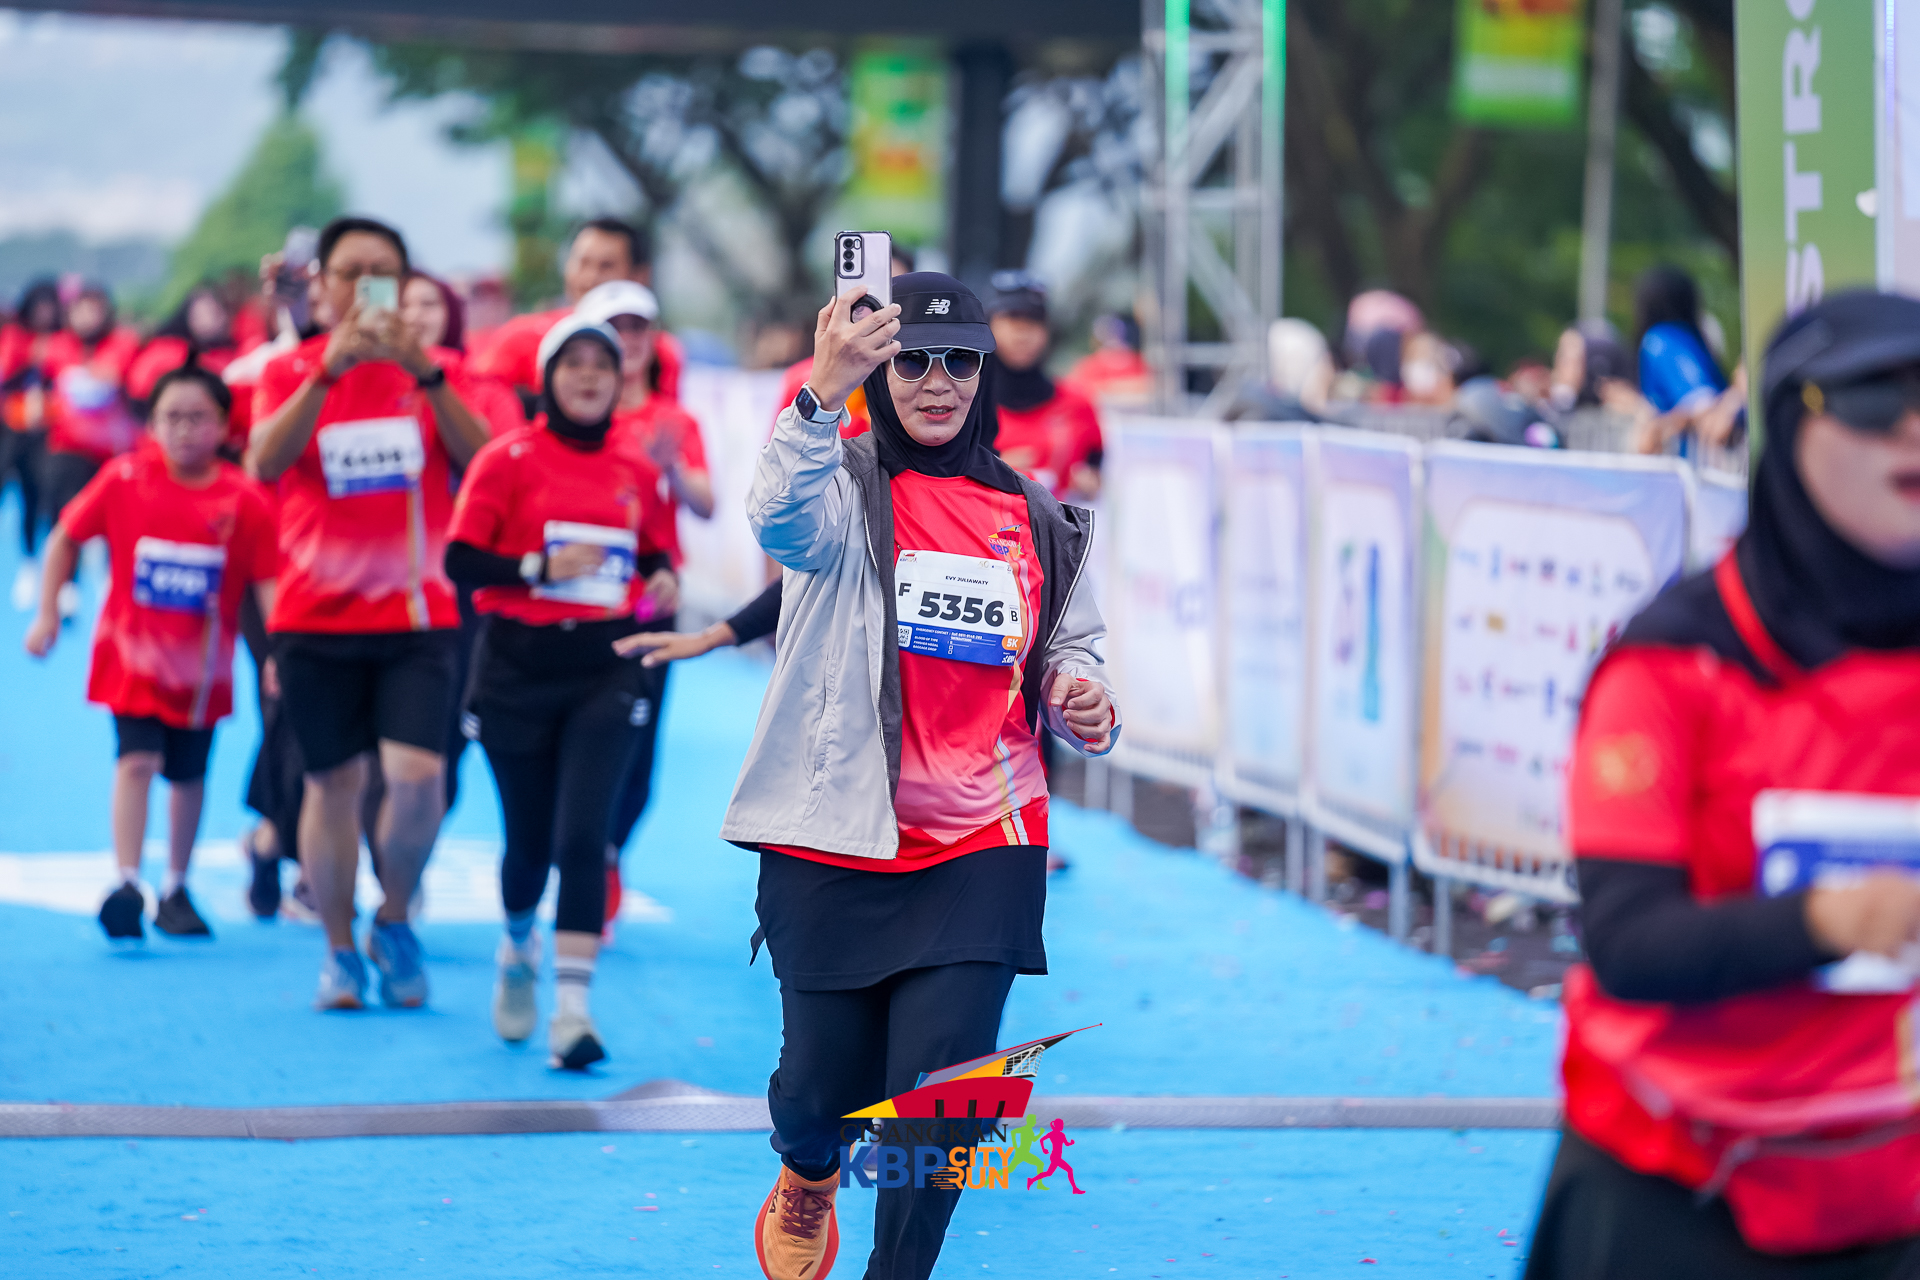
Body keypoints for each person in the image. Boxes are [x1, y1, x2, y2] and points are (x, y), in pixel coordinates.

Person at [727, 273, 1119, 1280]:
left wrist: (1081, 692)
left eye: (960, 361)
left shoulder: (1034, 512)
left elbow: (1070, 645)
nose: (937, 382)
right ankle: (809, 1167)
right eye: (912, 362)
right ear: (880, 371)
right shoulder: (837, 484)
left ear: (986, 373)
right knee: (816, 1092)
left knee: (944, 1098)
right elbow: (775, 521)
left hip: (986, 836)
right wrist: (821, 392)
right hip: (837, 831)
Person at [1525, 290, 1920, 1278]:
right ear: (1789, 421)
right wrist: (1834, 921)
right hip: (1678, 1181)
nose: (1914, 426)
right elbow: (1628, 943)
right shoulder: (1671, 662)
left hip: (1893, 1182)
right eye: (1876, 398)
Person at [246, 215, 492, 1011]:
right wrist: (327, 372)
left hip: (417, 618)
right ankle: (340, 950)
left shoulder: (438, 372)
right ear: (320, 284)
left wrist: (424, 371)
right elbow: (264, 461)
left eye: (380, 271)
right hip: (314, 618)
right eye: (349, 271)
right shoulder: (290, 371)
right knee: (334, 786)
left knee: (419, 783)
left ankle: (393, 916)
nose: (363, 286)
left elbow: (483, 461)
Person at [446, 315, 674, 1069]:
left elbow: (655, 554)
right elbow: (460, 561)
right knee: (529, 844)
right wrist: (539, 569)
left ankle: (573, 1013)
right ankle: (517, 947)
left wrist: (663, 580)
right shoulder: (506, 458)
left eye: (601, 365)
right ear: (546, 378)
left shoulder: (635, 465)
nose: (587, 377)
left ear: (619, 380)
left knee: (583, 838)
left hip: (606, 666)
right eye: (572, 363)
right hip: (516, 667)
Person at [24, 366, 277, 941]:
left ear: (224, 426)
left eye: (198, 418)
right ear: (152, 423)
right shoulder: (124, 479)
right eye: (172, 418)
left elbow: (269, 584)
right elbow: (65, 537)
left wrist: (281, 650)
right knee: (136, 761)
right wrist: (47, 613)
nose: (184, 430)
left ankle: (176, 887)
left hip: (202, 672)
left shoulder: (245, 500)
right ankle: (127, 881)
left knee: (188, 774)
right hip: (131, 661)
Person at [576, 281, 711, 932]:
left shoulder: (672, 420)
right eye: (615, 328)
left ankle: (604, 851)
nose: (627, 341)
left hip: (651, 604)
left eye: (638, 328)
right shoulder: (573, 413)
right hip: (576, 601)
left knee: (636, 748)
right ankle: (577, 849)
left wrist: (672, 468)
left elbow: (707, 503)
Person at [470, 218, 684, 408]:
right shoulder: (523, 336)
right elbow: (478, 405)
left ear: (639, 276)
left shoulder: (655, 351)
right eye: (582, 263)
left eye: (606, 266)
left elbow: (666, 425)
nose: (589, 278)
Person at [774, 243, 917, 440]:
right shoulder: (805, 379)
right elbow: (783, 453)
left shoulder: (921, 372)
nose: (877, 306)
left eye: (889, 293)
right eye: (867, 293)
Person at [985, 271, 1103, 502]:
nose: (1022, 332)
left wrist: (1088, 484)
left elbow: (1097, 473)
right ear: (988, 325)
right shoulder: (963, 403)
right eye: (1012, 318)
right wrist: (988, 470)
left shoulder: (1078, 404)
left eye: (1034, 320)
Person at [42, 283, 144, 527]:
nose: (86, 318)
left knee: (118, 519)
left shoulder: (123, 343)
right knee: (65, 517)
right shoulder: (57, 344)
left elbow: (115, 380)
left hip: (112, 450)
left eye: (93, 311)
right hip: (68, 448)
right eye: (80, 310)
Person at [0, 279, 65, 608]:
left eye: (49, 307)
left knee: (40, 497)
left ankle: (41, 567)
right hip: (13, 429)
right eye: (38, 308)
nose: (44, 314)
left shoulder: (63, 340)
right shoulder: (16, 337)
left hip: (47, 433)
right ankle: (28, 562)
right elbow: (5, 375)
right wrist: (30, 362)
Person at [1629, 264, 1732, 457]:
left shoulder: (1661, 340)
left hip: (1692, 464)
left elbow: (1703, 402)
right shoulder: (1689, 338)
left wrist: (1659, 428)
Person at [125, 286, 243, 427]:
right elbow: (138, 391)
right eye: (200, 314)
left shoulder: (236, 354)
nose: (208, 320)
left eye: (214, 312)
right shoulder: (167, 350)